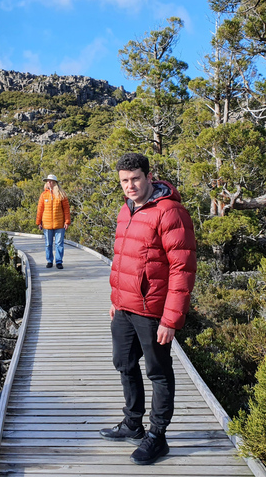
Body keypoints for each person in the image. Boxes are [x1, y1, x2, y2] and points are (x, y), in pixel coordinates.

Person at [98, 153, 197, 466]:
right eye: (124, 181)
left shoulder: (170, 212)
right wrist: (116, 300)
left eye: (135, 179)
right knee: (123, 363)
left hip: (153, 310)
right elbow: (122, 260)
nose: (130, 185)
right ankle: (133, 423)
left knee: (158, 372)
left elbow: (183, 269)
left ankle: (158, 436)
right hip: (124, 307)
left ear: (149, 176)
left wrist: (170, 319)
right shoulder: (124, 211)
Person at [35, 174, 71, 269]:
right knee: (48, 244)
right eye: (47, 181)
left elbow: (66, 209)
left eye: (50, 181)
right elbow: (40, 210)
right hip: (46, 224)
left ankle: (59, 262)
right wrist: (39, 222)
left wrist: (67, 222)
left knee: (59, 244)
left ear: (55, 183)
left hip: (59, 224)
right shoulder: (43, 195)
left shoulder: (61, 194)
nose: (49, 183)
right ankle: (49, 261)